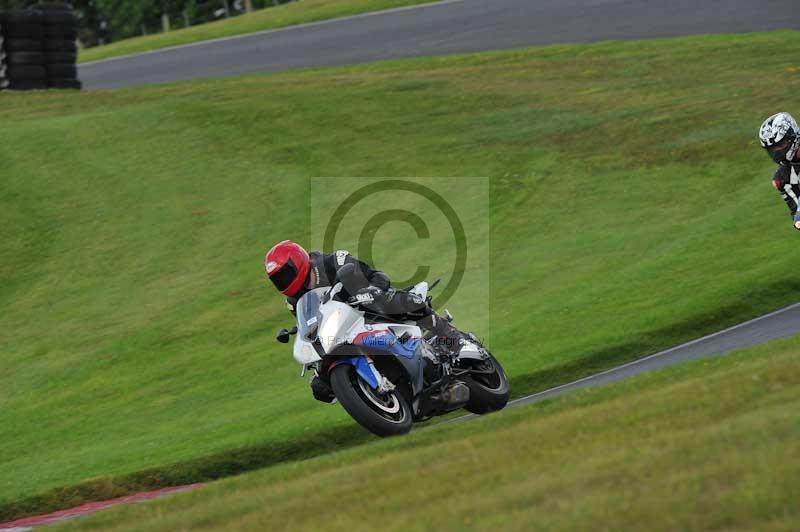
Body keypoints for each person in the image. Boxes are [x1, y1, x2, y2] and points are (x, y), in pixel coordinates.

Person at [264, 239, 461, 350]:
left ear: (298, 261)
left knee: (402, 301)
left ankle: (451, 336)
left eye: (285, 274)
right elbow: (312, 325)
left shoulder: (331, 261)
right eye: (278, 279)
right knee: (319, 385)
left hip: (369, 303)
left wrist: (372, 289)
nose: (283, 281)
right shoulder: (294, 301)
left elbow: (372, 274)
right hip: (345, 328)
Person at [760, 112, 800, 229]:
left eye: (780, 145)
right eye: (772, 149)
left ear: (792, 137)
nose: (776, 151)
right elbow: (796, 215)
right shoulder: (781, 179)